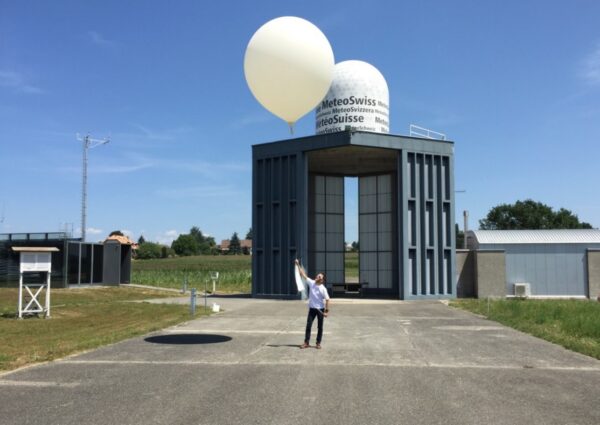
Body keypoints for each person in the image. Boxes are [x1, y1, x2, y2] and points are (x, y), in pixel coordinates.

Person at [295, 259, 330, 349]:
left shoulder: (323, 289)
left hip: (320, 310)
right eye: (317, 276)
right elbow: (303, 274)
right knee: (308, 325)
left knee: (320, 327)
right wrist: (298, 264)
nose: (317, 277)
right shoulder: (312, 283)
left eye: (319, 277)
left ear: (322, 280)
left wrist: (326, 311)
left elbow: (327, 300)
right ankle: (306, 342)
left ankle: (318, 343)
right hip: (312, 309)